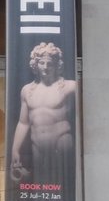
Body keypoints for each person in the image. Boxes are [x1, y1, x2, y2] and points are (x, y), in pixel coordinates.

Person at [9, 42, 76, 192]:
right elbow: (23, 122)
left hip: (62, 140)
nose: (45, 67)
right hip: (37, 145)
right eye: (41, 63)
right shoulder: (27, 90)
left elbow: (81, 119)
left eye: (49, 63)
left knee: (63, 186)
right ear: (35, 64)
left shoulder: (70, 87)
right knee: (43, 185)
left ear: (57, 65)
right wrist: (15, 149)